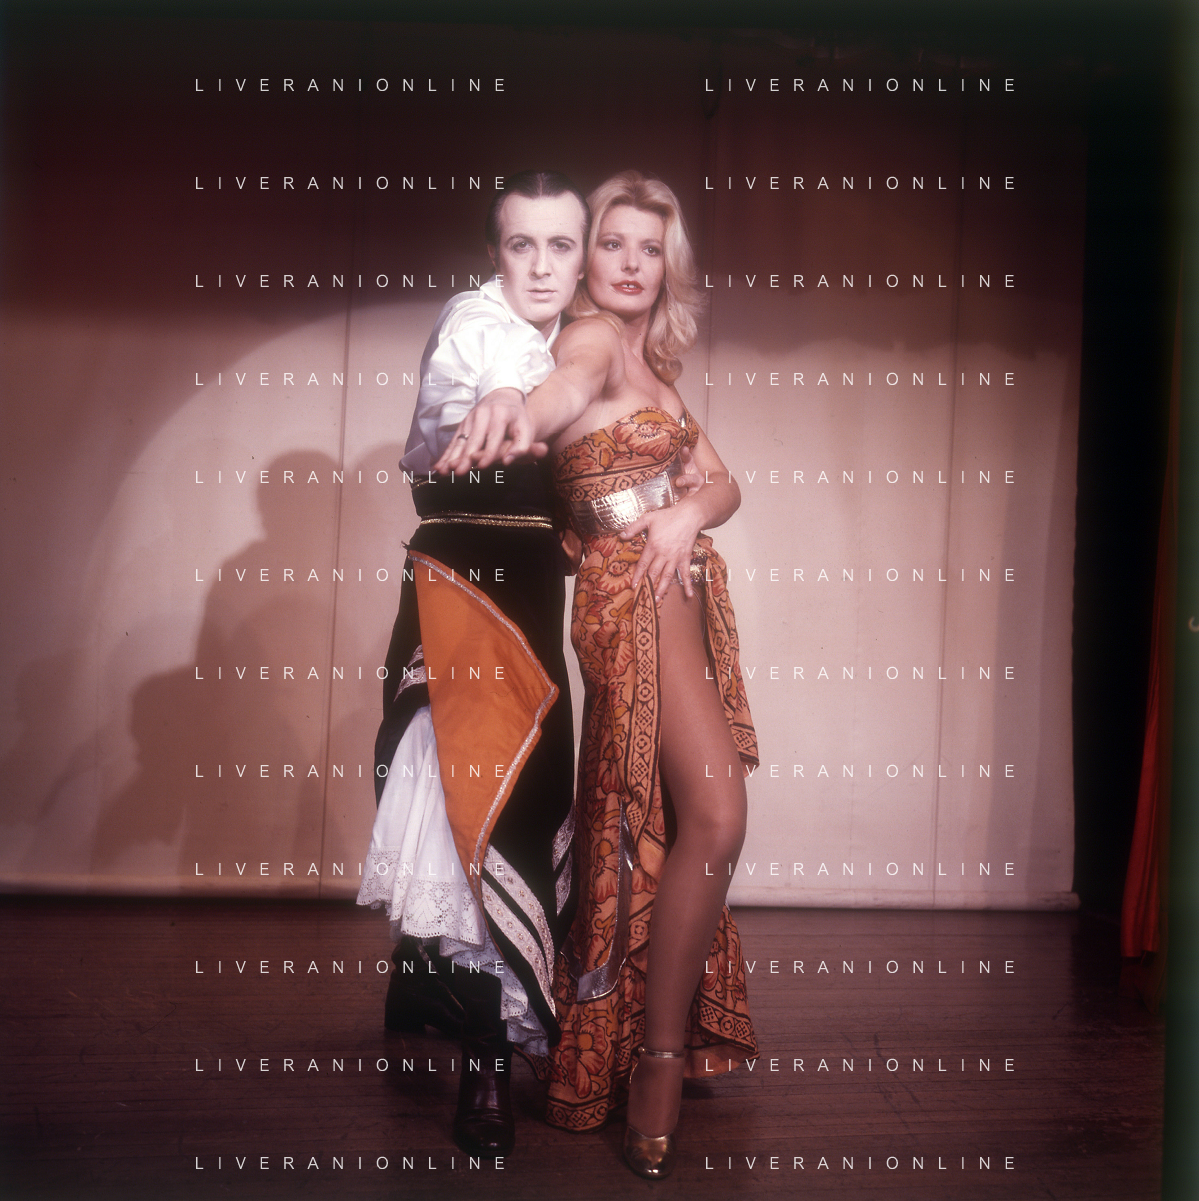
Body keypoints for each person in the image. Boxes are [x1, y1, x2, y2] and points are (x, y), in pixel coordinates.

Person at [439, 170, 759, 1179]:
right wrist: (514, 405)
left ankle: (638, 1045)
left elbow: (725, 481)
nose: (626, 263)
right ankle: (655, 1059)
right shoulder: (586, 340)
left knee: (665, 820)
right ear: (586, 258)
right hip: (628, 596)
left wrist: (685, 510)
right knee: (714, 816)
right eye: (609, 243)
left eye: (646, 248)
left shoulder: (654, 367)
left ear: (668, 265)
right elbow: (563, 391)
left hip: (673, 586)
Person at [355, 171, 588, 1158]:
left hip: (531, 598)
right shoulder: (475, 322)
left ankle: (421, 988)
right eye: (520, 244)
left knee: (517, 802)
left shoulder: (580, 344)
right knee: (465, 806)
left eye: (559, 246)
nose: (539, 266)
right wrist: (502, 397)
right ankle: (485, 1060)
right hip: (460, 593)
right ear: (493, 254)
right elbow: (488, 382)